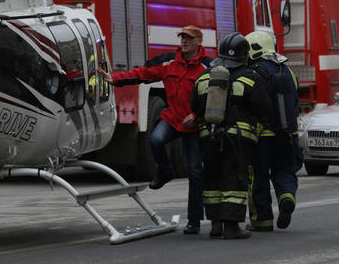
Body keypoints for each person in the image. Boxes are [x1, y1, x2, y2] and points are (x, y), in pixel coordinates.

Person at [98, 25, 209, 235]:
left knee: (195, 172)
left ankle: (194, 220)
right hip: (173, 119)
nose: (184, 41)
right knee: (156, 139)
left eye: (189, 38)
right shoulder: (169, 63)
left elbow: (215, 97)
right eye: (182, 37)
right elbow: (144, 74)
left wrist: (198, 117)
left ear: (198, 42)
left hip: (194, 125)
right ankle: (165, 171)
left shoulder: (207, 67)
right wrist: (116, 79)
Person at [190, 32, 272, 240]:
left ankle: (216, 225)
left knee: (212, 181)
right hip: (237, 140)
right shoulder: (250, 78)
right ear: (245, 56)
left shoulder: (203, 78)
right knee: (234, 181)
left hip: (207, 137)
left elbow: (194, 106)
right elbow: (264, 108)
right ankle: (232, 227)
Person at [244, 31, 301, 232]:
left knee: (258, 177)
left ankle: (262, 221)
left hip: (261, 137)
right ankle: (287, 197)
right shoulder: (288, 72)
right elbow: (295, 101)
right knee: (285, 170)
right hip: (287, 135)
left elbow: (250, 104)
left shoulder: (253, 73)